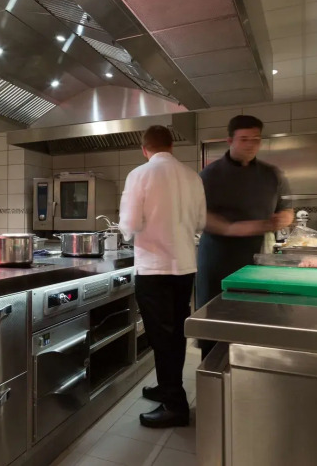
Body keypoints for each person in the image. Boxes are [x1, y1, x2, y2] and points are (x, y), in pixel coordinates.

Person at [119, 125, 206, 429]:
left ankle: (175, 405)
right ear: (171, 146)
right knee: (174, 334)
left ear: (145, 149)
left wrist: (130, 231)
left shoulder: (139, 174)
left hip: (155, 268)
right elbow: (200, 223)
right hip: (184, 267)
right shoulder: (193, 176)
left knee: (161, 337)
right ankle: (168, 387)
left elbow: (129, 225)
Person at [196, 115, 293, 359]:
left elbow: (287, 210)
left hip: (257, 262)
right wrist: (230, 228)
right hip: (218, 260)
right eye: (244, 139)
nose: (251, 144)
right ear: (230, 140)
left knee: (254, 324)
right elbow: (198, 215)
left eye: (256, 139)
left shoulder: (272, 175)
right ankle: (212, 371)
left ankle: (250, 371)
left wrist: (283, 219)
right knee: (216, 326)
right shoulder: (210, 175)